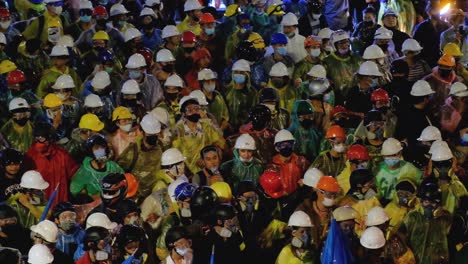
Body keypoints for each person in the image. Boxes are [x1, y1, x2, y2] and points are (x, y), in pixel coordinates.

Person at [24, 122, 79, 206]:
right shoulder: (30, 156)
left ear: (49, 138)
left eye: (41, 138)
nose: (38, 141)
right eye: (36, 138)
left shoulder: (62, 156)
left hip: (59, 203)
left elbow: (75, 174)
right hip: (39, 205)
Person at [399, 181, 452, 264]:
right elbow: (400, 236)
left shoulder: (444, 218)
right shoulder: (413, 217)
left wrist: (444, 214)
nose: (429, 206)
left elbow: (452, 225)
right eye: (426, 202)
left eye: (433, 203)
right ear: (421, 201)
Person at [172, 96, 225, 174]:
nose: (194, 112)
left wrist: (211, 157)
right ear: (184, 113)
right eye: (190, 110)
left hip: (210, 165)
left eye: (196, 109)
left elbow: (219, 142)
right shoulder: (179, 132)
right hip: (189, 171)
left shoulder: (206, 126)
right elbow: (178, 154)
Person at [70, 134, 124, 200]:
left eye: (102, 147)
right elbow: (76, 192)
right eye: (96, 148)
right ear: (90, 150)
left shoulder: (113, 166)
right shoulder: (83, 172)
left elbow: (123, 181)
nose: (100, 150)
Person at [375, 138, 422, 205]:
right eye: (388, 156)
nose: (391, 158)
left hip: (403, 206)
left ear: (400, 153)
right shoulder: (377, 170)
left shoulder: (410, 169)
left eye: (394, 155)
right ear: (383, 156)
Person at [323, 30, 362, 103]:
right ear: (334, 45)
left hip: (356, 96)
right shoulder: (327, 61)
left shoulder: (357, 58)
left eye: (346, 42)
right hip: (337, 97)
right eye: (340, 43)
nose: (344, 46)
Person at [269, 129, 309, 194]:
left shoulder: (301, 161)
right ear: (276, 148)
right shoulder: (272, 165)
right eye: (282, 145)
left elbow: (309, 177)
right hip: (281, 198)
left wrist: (305, 181)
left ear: (293, 145)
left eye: (289, 144)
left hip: (298, 197)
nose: (286, 147)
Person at [413, 1, 450, 67]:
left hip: (444, 62)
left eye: (439, 8)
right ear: (429, 11)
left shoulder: (445, 26)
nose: (438, 11)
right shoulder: (421, 27)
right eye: (436, 9)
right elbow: (415, 44)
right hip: (427, 62)